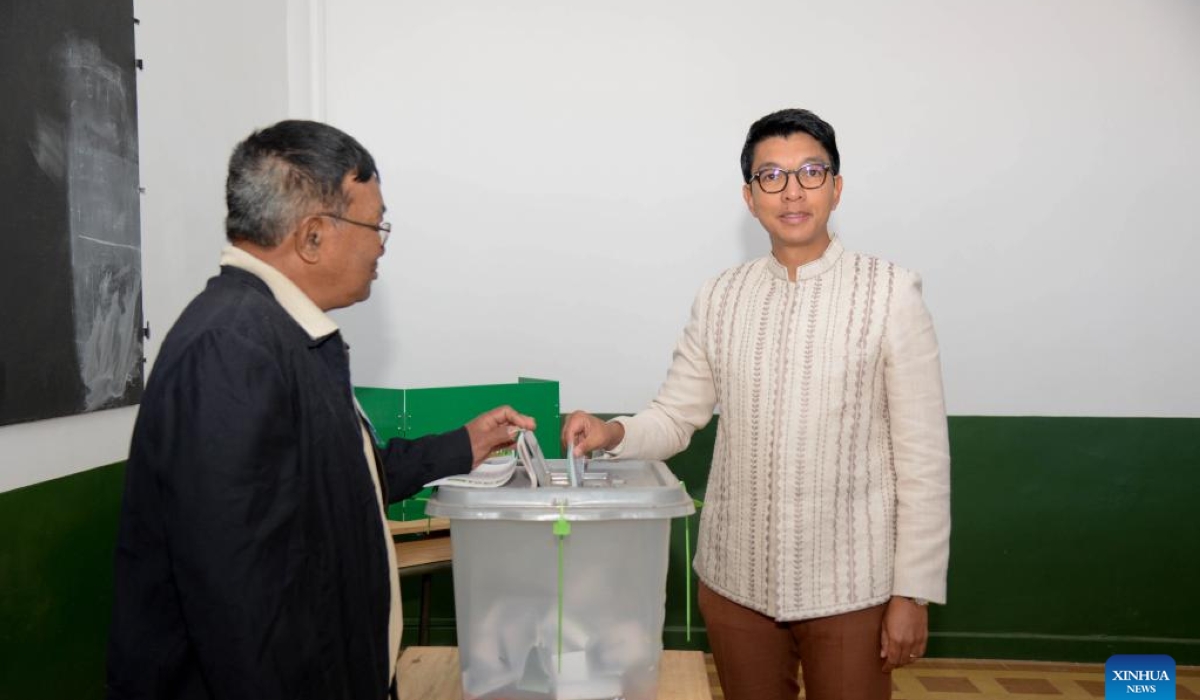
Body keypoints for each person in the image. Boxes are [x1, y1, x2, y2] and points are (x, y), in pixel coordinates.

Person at [107, 119, 535, 700]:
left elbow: (337, 489)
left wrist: (465, 443)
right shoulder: (232, 349)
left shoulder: (278, 336)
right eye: (374, 222)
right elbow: (242, 606)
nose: (382, 241)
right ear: (311, 237)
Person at [563, 108, 950, 700]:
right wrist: (612, 433)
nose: (792, 191)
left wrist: (911, 591)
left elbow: (923, 459)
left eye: (811, 172)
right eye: (772, 176)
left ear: (837, 187)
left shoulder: (891, 292)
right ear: (750, 196)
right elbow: (674, 416)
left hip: (852, 587)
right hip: (735, 583)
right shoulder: (721, 296)